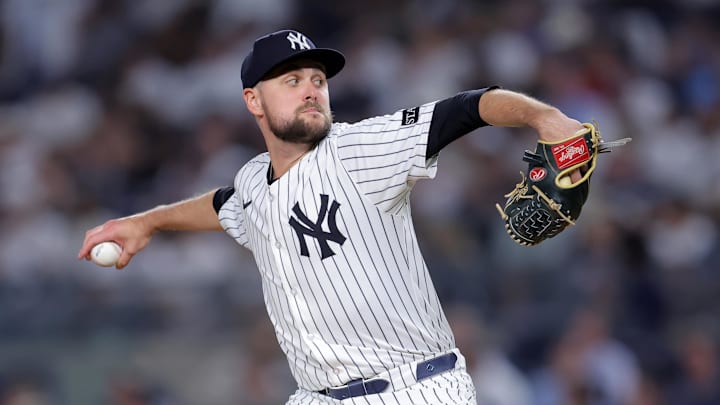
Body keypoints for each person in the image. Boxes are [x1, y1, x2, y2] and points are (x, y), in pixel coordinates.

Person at [78, 29, 586, 404]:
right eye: (292, 79)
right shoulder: (255, 181)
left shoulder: (360, 148)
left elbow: (467, 108)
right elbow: (220, 206)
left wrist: (547, 118)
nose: (311, 89)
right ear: (252, 101)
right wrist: (147, 221)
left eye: (318, 79)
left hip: (414, 388)